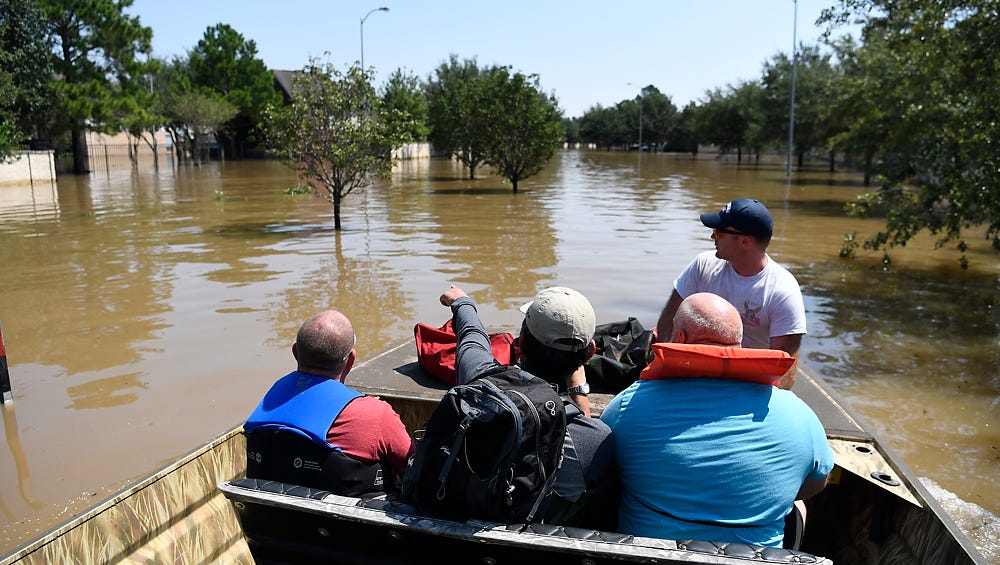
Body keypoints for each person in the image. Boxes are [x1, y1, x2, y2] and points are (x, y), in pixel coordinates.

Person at [602, 292, 833, 548]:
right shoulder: (798, 413)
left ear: (679, 339)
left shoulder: (630, 404)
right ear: (739, 345)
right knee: (796, 505)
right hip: (750, 560)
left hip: (651, 556)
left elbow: (600, 468)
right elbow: (817, 482)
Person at [439, 285, 617, 530]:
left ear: (521, 342)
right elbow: (585, 438)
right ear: (590, 353)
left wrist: (463, 303)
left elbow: (472, 340)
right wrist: (578, 391)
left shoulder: (479, 381)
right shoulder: (597, 439)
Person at [244, 310, 415, 496]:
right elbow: (415, 468)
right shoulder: (376, 414)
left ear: (295, 352)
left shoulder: (272, 399)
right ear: (350, 360)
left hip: (270, 520)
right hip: (352, 524)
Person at [655, 198, 806, 389]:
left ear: (744, 241)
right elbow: (670, 317)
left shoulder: (782, 291)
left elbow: (784, 365)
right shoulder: (703, 265)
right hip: (692, 372)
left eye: (718, 232)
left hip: (747, 384)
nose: (712, 238)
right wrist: (666, 368)